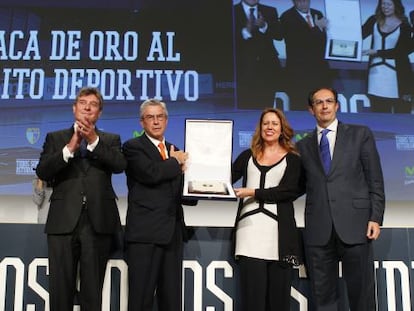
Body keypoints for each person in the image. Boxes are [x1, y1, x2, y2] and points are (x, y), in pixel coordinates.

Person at [36, 87, 126, 311]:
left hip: (97, 222)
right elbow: (43, 171)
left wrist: (93, 141)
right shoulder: (55, 138)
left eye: (93, 104)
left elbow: (120, 165)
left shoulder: (110, 139)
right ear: (74, 108)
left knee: (92, 291)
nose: (87, 107)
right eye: (82, 103)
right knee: (60, 289)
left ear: (99, 113)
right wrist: (69, 149)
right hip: (63, 222)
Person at [296, 87, 385, 310]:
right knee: (323, 298)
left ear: (337, 106)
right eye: (319, 102)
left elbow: (375, 179)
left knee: (361, 295)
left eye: (329, 101)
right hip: (318, 229)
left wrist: (376, 216)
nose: (324, 106)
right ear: (311, 109)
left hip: (356, 225)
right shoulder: (302, 145)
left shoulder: (360, 134)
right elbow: (297, 186)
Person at [123, 99, 194, 311]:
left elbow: (181, 193)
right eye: (150, 117)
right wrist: (175, 163)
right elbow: (150, 174)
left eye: (160, 117)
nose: (156, 122)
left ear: (166, 120)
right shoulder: (132, 147)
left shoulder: (175, 150)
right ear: (142, 122)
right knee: (140, 299)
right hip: (145, 237)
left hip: (172, 235)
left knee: (171, 301)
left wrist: (198, 188)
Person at [231, 108, 303, 311]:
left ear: (282, 129)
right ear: (260, 128)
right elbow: (224, 179)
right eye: (265, 123)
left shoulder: (293, 159)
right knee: (252, 301)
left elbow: (288, 191)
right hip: (249, 234)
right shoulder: (247, 156)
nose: (269, 127)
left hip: (279, 236)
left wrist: (253, 191)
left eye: (274, 123)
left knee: (278, 302)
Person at [280, 0, 332, 111]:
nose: (303, 4)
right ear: (294, 2)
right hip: (299, 74)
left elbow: (322, 40)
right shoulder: (287, 17)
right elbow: (298, 42)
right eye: (299, 1)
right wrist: (316, 28)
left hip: (319, 71)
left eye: (305, 1)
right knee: (300, 108)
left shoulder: (317, 14)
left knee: (320, 108)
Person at [362, 0, 413, 113]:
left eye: (389, 4)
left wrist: (377, 52)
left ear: (396, 5)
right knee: (378, 112)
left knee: (401, 115)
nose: (385, 7)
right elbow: (358, 35)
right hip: (376, 75)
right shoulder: (374, 20)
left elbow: (402, 51)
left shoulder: (404, 25)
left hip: (398, 75)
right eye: (383, 4)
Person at [233, 0, 283, 109]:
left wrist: (264, 26)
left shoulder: (270, 11)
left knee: (266, 109)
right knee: (245, 108)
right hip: (243, 69)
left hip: (267, 68)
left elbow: (279, 35)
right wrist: (246, 31)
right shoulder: (233, 11)